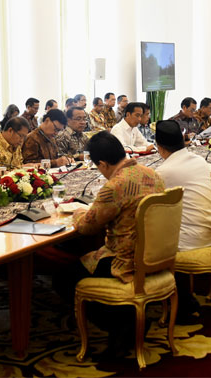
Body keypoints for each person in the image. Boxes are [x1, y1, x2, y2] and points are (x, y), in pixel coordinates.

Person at [71, 131, 165, 357]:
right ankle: (128, 318)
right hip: (154, 254)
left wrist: (77, 213)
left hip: (124, 260)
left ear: (102, 164)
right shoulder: (153, 174)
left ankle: (121, 326)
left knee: (64, 276)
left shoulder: (115, 186)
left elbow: (86, 227)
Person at [155, 120, 211, 320]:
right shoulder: (199, 161)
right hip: (210, 232)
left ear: (160, 147)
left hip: (188, 241)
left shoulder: (164, 172)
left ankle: (176, 300)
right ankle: (183, 297)